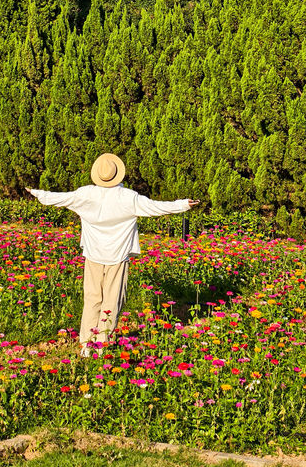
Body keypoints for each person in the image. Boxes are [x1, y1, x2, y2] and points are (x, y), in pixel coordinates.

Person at [26, 152, 199, 356]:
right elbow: (156, 207)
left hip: (93, 254)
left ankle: (86, 345)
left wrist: (37, 192)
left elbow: (60, 198)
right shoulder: (128, 197)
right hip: (117, 256)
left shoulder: (85, 195)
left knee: (92, 299)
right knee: (112, 300)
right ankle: (102, 343)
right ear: (118, 174)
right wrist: (183, 204)